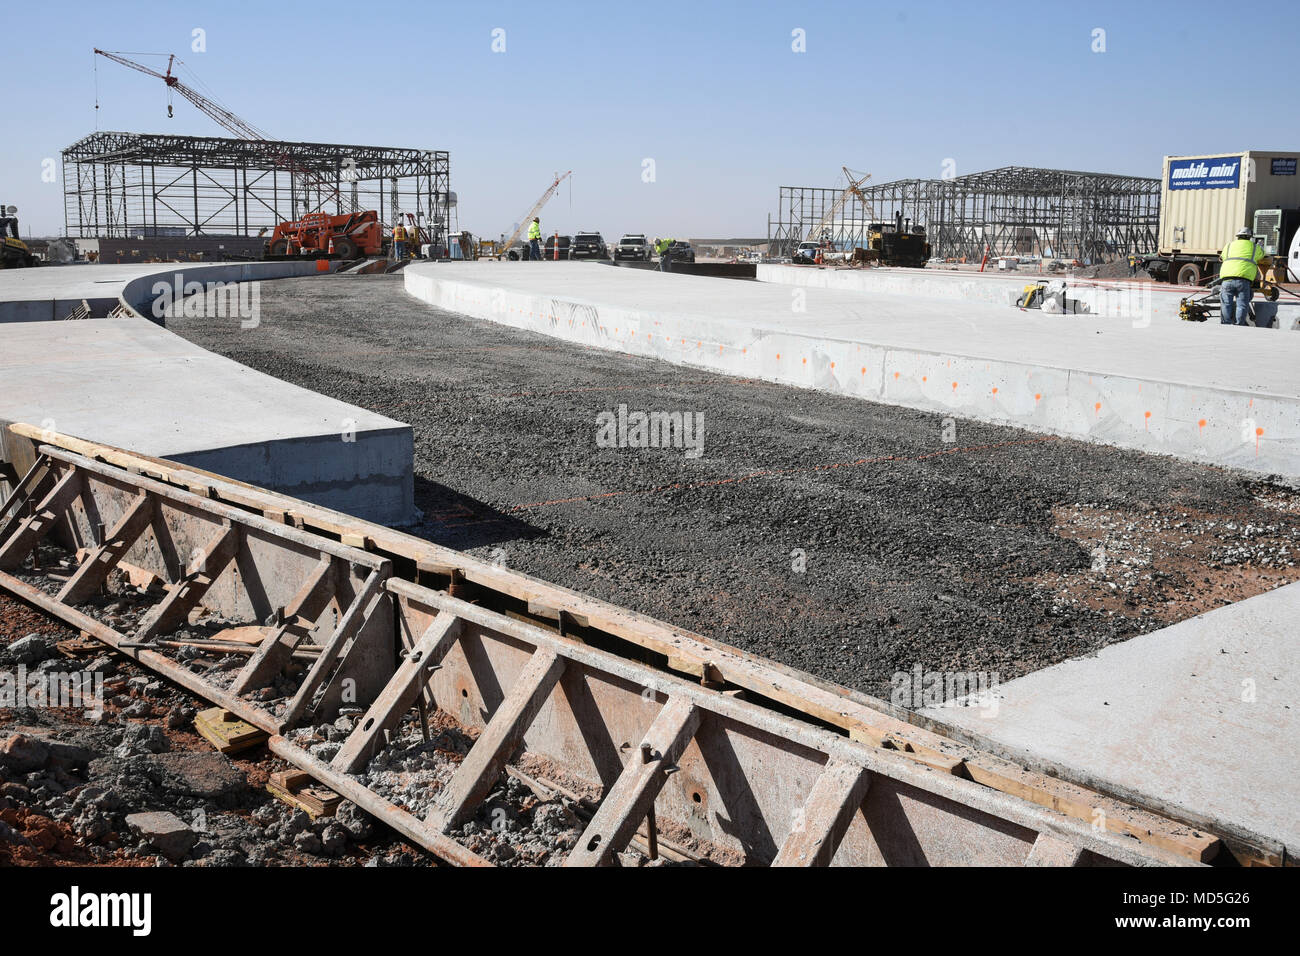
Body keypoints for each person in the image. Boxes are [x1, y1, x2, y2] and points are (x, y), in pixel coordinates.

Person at [1218, 226, 1270, 326]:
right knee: (1241, 304)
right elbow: (1262, 255)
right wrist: (1260, 246)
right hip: (1243, 280)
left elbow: (1222, 257)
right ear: (1249, 237)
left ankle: (1225, 324)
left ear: (1238, 237)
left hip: (1226, 279)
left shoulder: (1228, 245)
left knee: (1226, 304)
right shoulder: (1254, 247)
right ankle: (1239, 325)